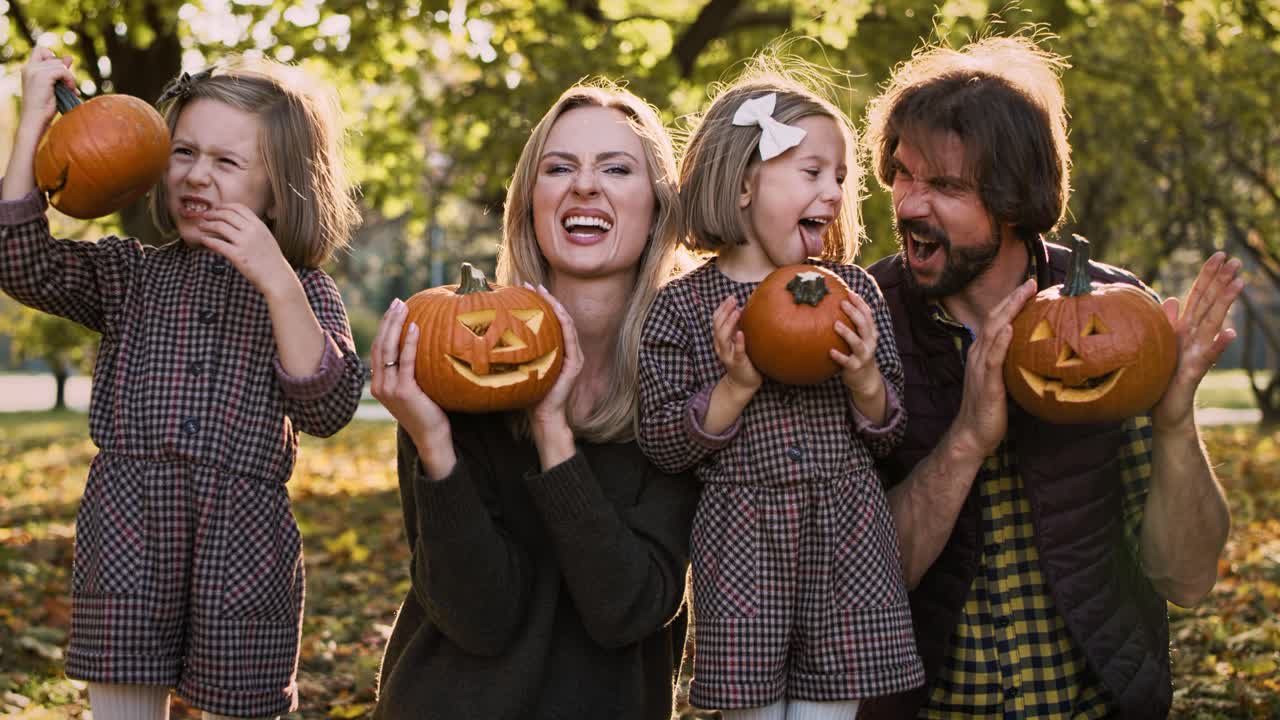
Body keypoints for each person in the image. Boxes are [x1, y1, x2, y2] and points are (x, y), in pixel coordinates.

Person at [859, 36, 1243, 719]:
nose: (910, 205)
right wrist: (967, 441)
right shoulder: (863, 322)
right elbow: (857, 587)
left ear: (1012, 199)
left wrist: (1176, 422)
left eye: (944, 185)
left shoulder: (1118, 315)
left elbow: (1185, 577)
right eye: (902, 175)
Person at [0, 50, 364, 718]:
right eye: (184, 152)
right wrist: (33, 126)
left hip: (244, 543)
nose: (197, 175)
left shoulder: (306, 290)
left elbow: (331, 405)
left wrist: (277, 281)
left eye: (226, 163)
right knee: (122, 703)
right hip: (129, 530)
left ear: (281, 187)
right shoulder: (130, 274)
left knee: (240, 704)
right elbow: (21, 261)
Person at [369, 81, 698, 720]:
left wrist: (554, 430)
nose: (584, 186)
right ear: (530, 204)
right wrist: (434, 443)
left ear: (658, 207)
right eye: (559, 168)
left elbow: (628, 608)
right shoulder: (455, 365)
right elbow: (480, 620)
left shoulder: (685, 388)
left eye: (615, 168)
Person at [636, 58, 924, 720]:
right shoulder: (684, 308)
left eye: (841, 178)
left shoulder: (855, 296)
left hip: (847, 541)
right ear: (742, 183)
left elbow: (891, 433)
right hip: (743, 548)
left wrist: (865, 379)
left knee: (830, 712)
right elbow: (663, 440)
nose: (833, 191)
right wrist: (734, 388)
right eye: (811, 172)